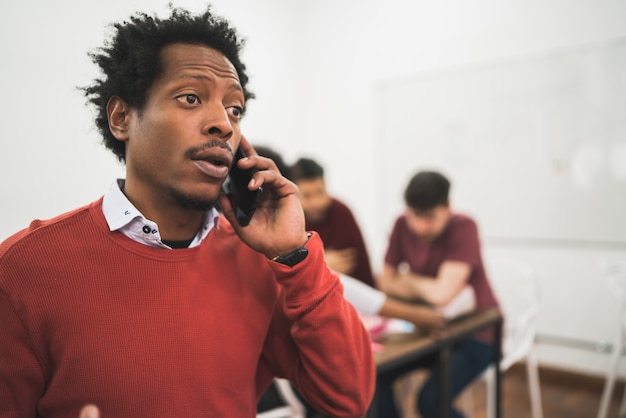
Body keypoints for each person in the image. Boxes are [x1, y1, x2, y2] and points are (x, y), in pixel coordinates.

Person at [0, 6, 375, 417]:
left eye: (235, 109)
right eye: (191, 98)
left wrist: (295, 255)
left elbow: (348, 398)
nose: (223, 124)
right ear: (122, 117)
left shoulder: (258, 263)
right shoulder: (23, 270)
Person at [376, 170, 500, 418]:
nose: (421, 226)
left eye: (430, 217)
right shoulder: (402, 224)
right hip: (427, 332)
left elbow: (441, 295)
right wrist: (426, 288)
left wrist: (408, 280)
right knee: (373, 379)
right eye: (415, 216)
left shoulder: (464, 226)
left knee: (432, 403)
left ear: (448, 207)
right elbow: (384, 282)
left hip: (476, 334)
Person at [290, 157, 376, 288]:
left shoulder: (341, 212)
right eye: (307, 196)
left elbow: (348, 264)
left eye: (320, 192)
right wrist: (322, 261)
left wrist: (312, 262)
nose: (317, 202)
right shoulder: (292, 219)